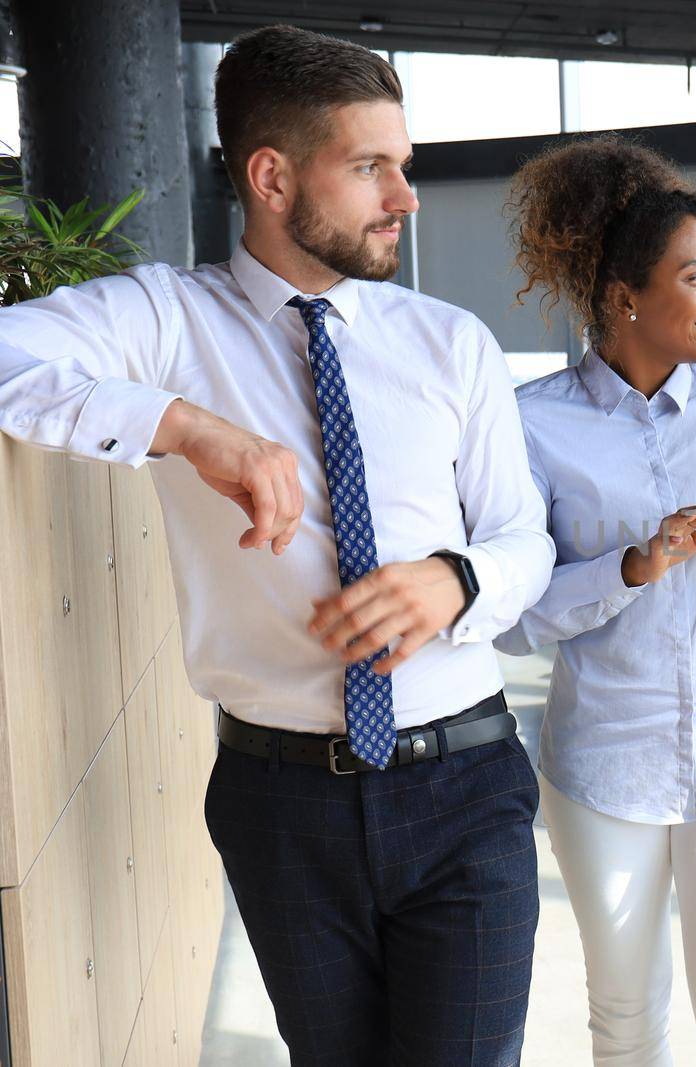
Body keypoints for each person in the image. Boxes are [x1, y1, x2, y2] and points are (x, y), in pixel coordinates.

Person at [0, 26, 554, 1065]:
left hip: (464, 783)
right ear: (271, 175)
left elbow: (525, 537)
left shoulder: (450, 343)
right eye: (370, 167)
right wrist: (186, 425)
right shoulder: (167, 320)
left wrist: (455, 578)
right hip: (279, 801)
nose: (406, 196)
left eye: (405, 165)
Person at [495, 136, 696, 1066]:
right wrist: (632, 567)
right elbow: (520, 621)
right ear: (624, 296)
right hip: (605, 758)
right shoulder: (535, 422)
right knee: (628, 1018)